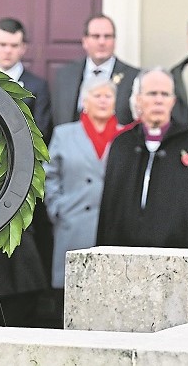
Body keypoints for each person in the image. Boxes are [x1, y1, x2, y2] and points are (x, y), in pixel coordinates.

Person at [96, 68, 188, 249]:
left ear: (173, 101)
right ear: (138, 99)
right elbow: (111, 210)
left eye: (165, 94)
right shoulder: (122, 145)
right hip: (127, 252)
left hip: (179, 253)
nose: (158, 100)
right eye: (152, 94)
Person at [0, 17, 53, 327]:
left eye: (14, 45)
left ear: (23, 48)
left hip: (19, 178)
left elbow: (41, 132)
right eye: (3, 44)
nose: (8, 51)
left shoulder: (38, 87)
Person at [45, 77, 126, 293]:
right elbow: (49, 174)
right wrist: (57, 208)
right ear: (84, 101)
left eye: (108, 96)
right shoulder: (64, 134)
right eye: (97, 95)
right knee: (73, 292)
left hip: (115, 228)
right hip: (73, 224)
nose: (103, 100)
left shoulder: (126, 136)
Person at [52, 14, 139, 127]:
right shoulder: (64, 75)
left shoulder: (133, 77)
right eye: (96, 36)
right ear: (85, 41)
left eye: (107, 36)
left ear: (114, 41)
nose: (102, 42)